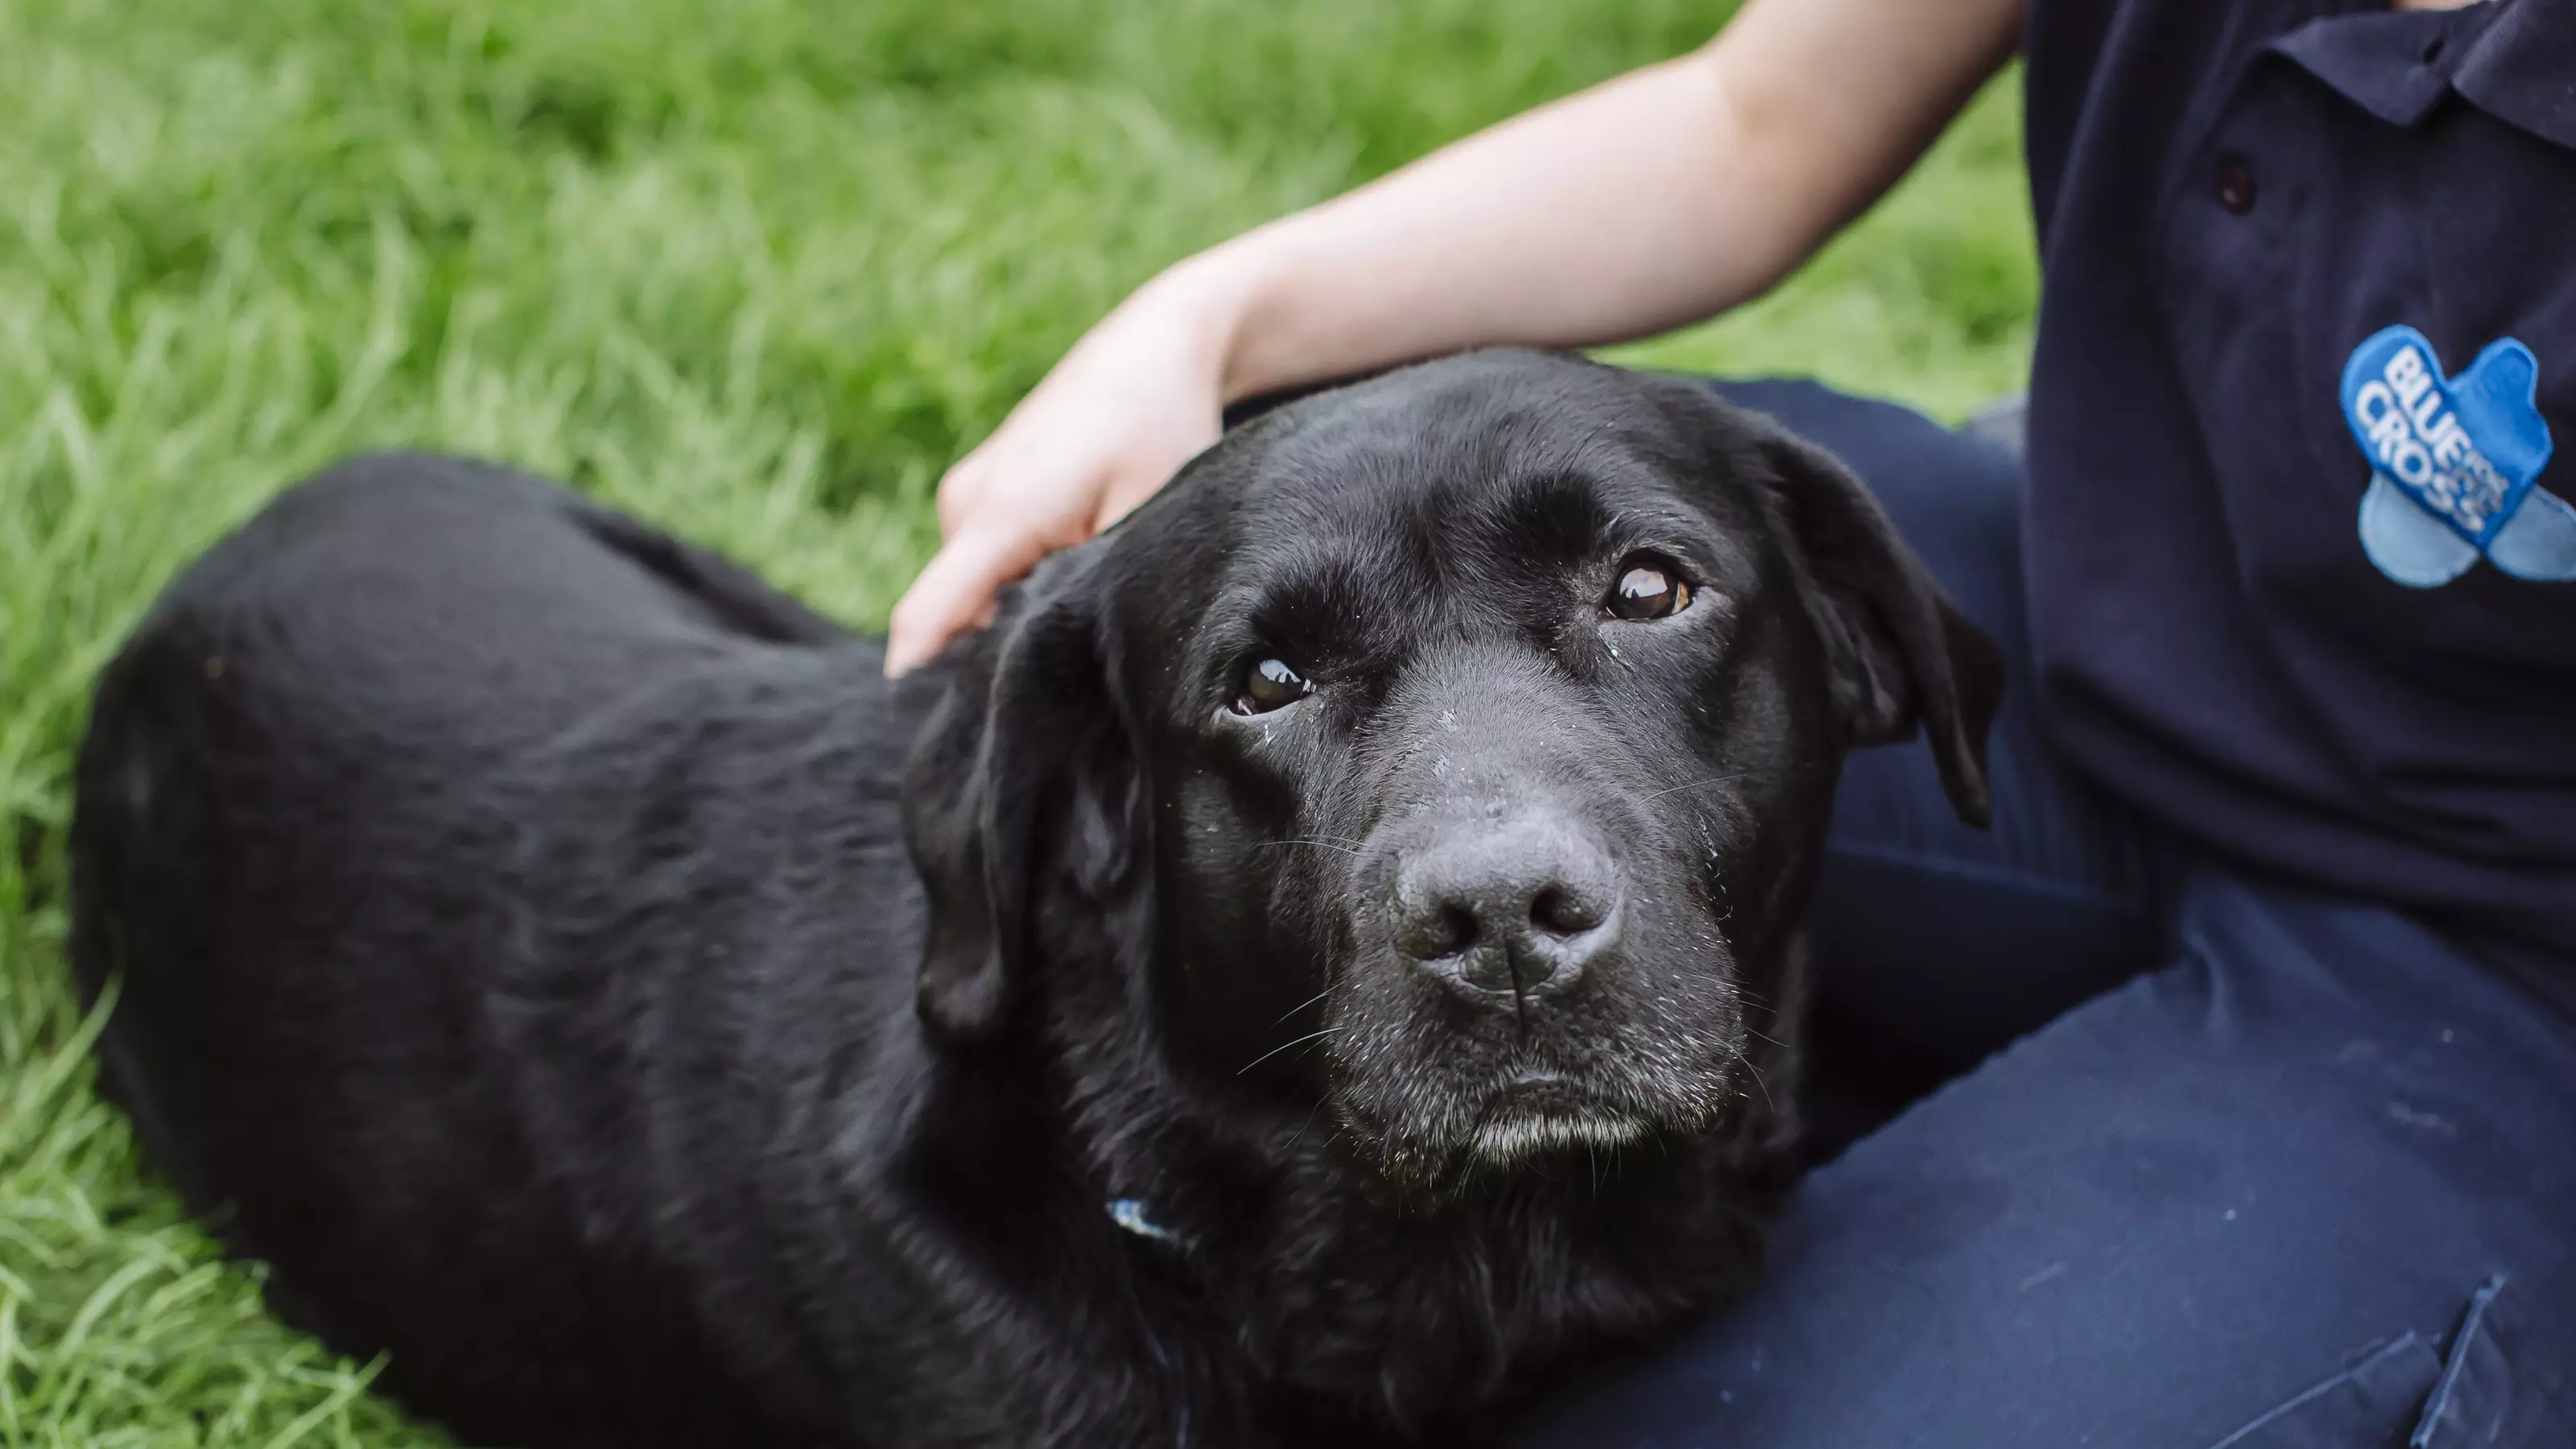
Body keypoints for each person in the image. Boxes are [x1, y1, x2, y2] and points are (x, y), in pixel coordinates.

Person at [887, 0, 2576, 1441]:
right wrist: (1204, 319)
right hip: (2128, 636)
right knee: (1461, 495)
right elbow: (1758, 119)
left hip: (2505, 951)